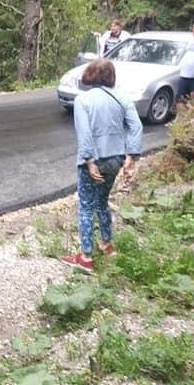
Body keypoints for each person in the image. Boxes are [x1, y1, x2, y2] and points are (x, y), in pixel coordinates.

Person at [63, 58, 143, 274]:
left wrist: (89, 161)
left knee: (86, 206)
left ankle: (86, 257)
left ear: (90, 75)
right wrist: (131, 156)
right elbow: (136, 126)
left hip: (94, 160)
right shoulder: (123, 99)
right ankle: (107, 244)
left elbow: (84, 133)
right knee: (102, 202)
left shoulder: (83, 100)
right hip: (116, 158)